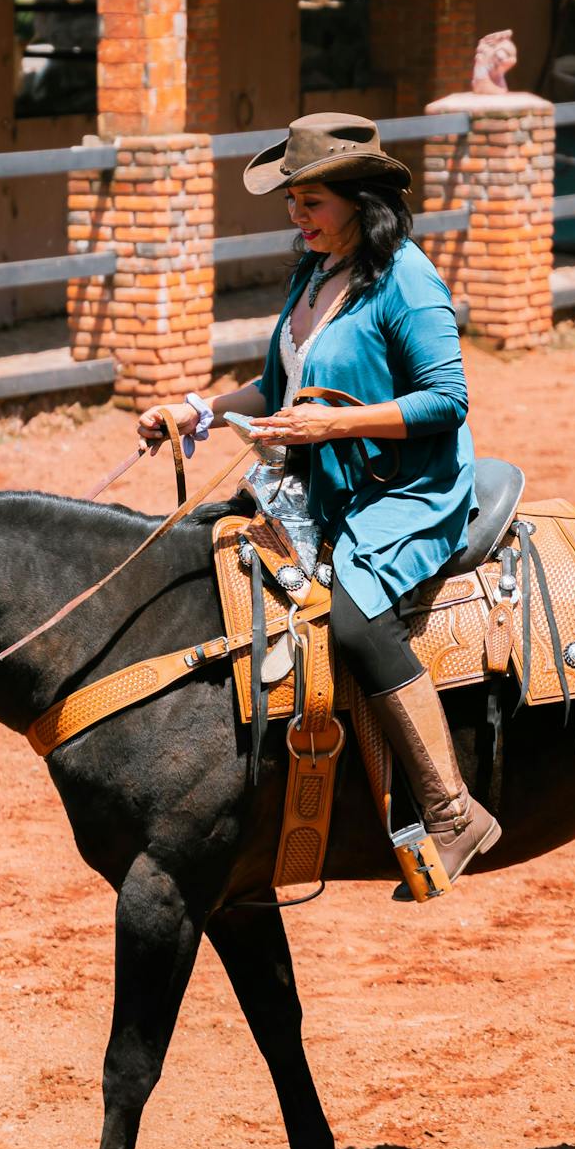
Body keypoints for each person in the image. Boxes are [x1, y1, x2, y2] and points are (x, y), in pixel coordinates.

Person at [137, 112, 501, 884]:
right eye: (292, 202)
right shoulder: (316, 271)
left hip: (404, 487)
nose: (296, 217)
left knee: (354, 616)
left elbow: (447, 400)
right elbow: (281, 386)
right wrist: (195, 411)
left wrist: (333, 423)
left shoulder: (408, 277)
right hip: (317, 477)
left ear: (361, 202)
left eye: (312, 202)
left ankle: (452, 810)